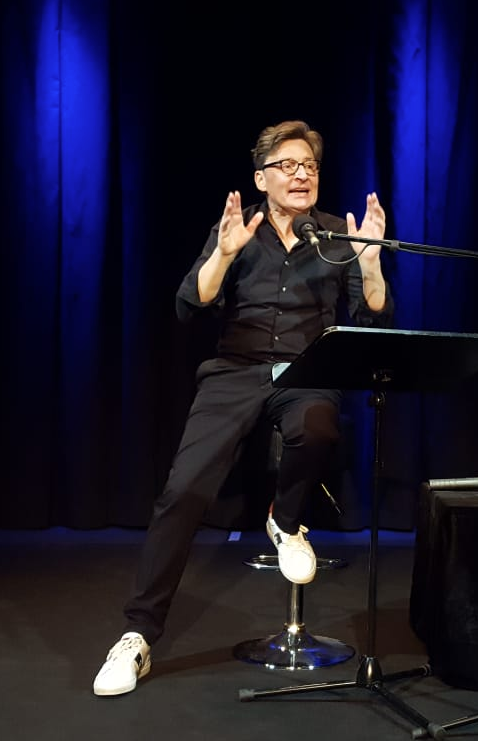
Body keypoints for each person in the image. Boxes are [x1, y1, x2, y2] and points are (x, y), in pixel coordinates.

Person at [92, 120, 395, 697]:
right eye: (288, 165)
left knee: (318, 426)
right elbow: (191, 303)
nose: (302, 174)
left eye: (310, 166)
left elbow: (374, 317)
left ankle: (285, 520)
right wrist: (224, 255)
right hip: (234, 372)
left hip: (308, 373)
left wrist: (371, 262)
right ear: (262, 178)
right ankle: (137, 637)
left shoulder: (338, 235)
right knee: (183, 491)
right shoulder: (238, 228)